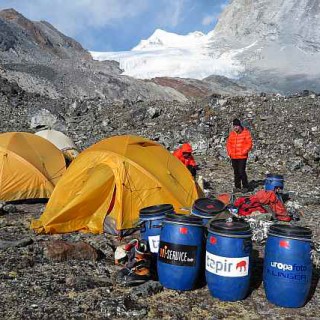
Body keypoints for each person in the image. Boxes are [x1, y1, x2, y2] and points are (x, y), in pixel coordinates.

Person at [226, 119, 253, 192]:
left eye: (236, 126)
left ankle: (245, 186)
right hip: (233, 156)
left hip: (242, 156)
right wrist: (230, 152)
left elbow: (249, 144)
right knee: (236, 172)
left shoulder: (246, 133)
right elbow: (228, 144)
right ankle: (237, 187)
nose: (235, 128)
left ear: (240, 126)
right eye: (234, 126)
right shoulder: (232, 134)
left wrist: (243, 152)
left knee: (241, 171)